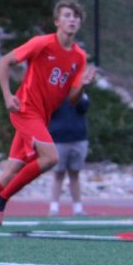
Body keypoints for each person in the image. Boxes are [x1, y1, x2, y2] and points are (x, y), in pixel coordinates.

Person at [0, 0, 94, 237]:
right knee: (50, 157)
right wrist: (8, 95)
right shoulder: (42, 43)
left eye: (76, 17)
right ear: (57, 21)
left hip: (41, 117)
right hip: (25, 109)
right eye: (67, 15)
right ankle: (2, 197)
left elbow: (72, 99)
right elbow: (3, 62)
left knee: (9, 173)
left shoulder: (79, 57)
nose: (72, 20)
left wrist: (82, 86)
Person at [47, 89, 90, 217]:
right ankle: (54, 208)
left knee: (75, 174)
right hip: (58, 139)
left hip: (78, 138)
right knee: (58, 173)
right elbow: (48, 110)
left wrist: (76, 94)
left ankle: (78, 208)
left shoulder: (81, 92)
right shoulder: (53, 92)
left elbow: (84, 108)